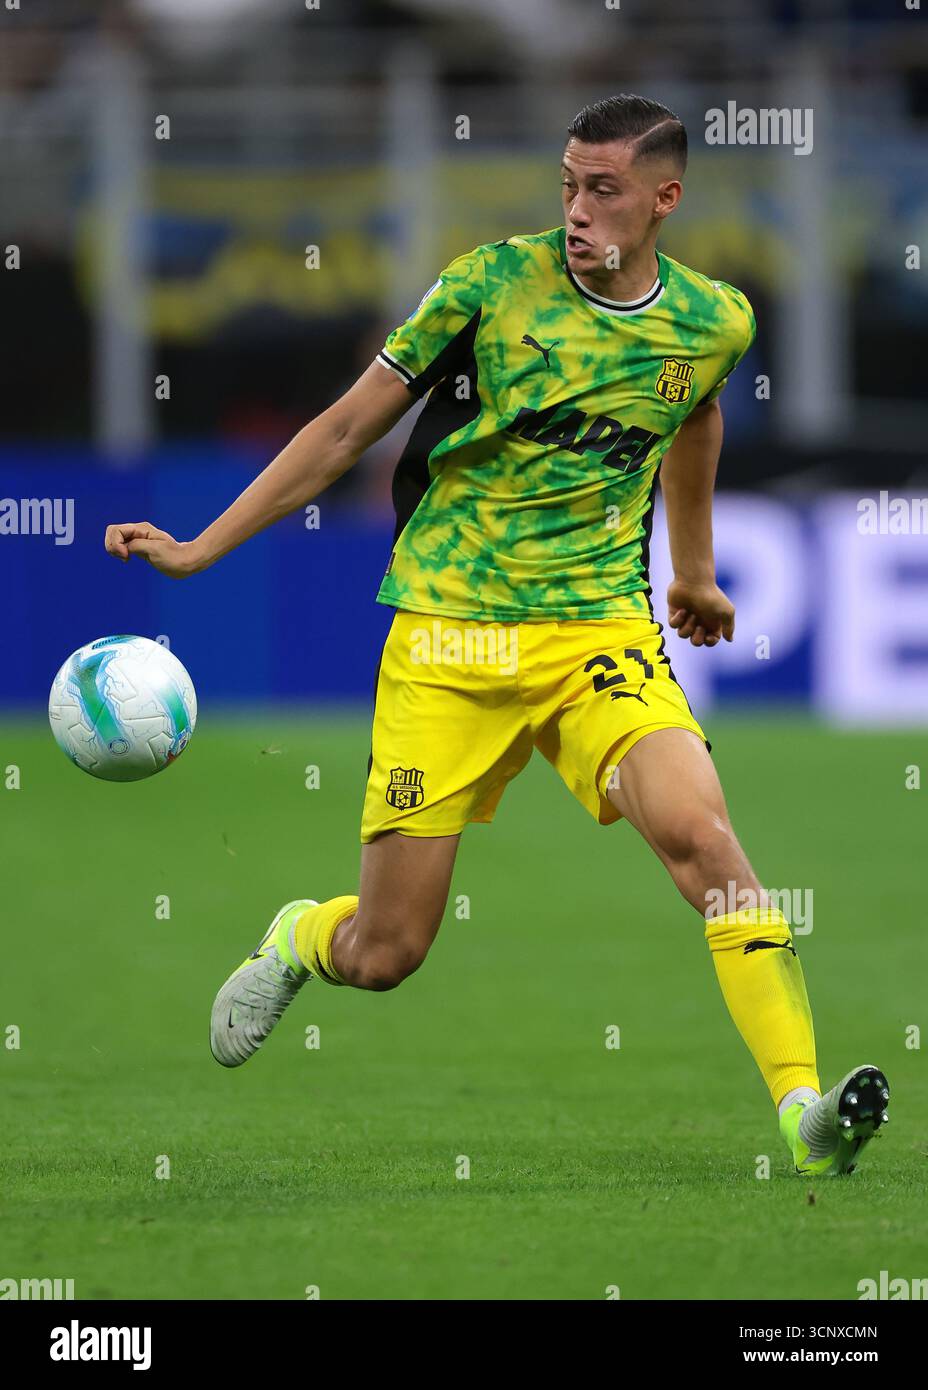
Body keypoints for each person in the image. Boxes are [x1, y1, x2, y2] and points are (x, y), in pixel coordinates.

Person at [105, 94, 889, 1176]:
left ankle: (804, 1117)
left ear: (665, 198)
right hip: (448, 640)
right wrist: (200, 549)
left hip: (595, 638)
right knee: (386, 954)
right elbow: (342, 431)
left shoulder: (714, 320)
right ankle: (299, 936)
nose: (575, 210)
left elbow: (696, 413)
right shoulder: (486, 287)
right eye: (566, 184)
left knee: (706, 842)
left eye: (602, 190)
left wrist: (694, 569)